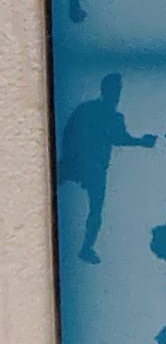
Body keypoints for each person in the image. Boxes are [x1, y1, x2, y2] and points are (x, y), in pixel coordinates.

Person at [57, 73, 156, 263]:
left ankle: (87, 248)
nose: (116, 94)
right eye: (114, 89)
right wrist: (70, 156)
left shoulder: (114, 116)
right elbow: (69, 131)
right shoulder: (88, 110)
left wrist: (141, 141)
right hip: (79, 161)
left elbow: (120, 138)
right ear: (105, 90)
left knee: (96, 210)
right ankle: (86, 248)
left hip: (94, 166)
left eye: (118, 90)